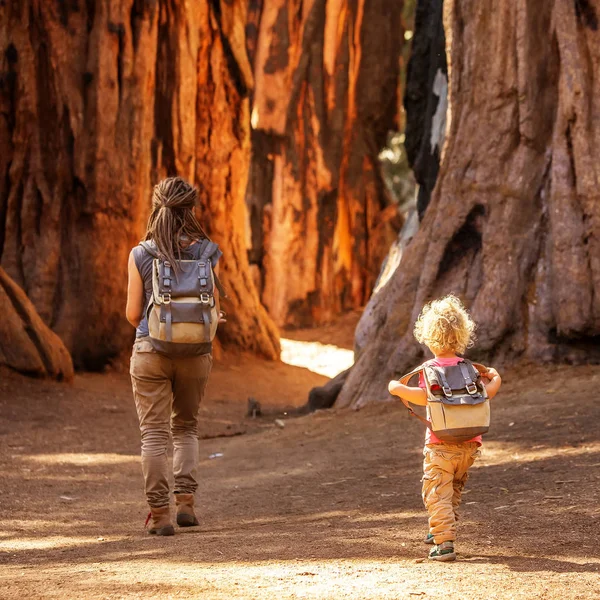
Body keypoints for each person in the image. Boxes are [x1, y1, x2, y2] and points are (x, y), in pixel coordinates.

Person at [126, 176, 224, 536]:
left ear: (157, 208)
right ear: (191, 211)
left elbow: (133, 314)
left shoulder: (140, 254)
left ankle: (161, 514)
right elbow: (211, 304)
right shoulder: (206, 252)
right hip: (196, 353)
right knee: (185, 428)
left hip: (150, 351)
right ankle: (186, 505)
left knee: (153, 434)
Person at [388, 295, 501, 561]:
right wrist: (496, 378)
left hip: (440, 445)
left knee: (436, 492)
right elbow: (488, 393)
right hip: (471, 445)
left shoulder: (430, 370)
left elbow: (421, 397)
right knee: (453, 490)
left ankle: (444, 542)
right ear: (462, 334)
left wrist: (396, 388)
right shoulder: (470, 369)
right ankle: (440, 526)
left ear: (427, 337)